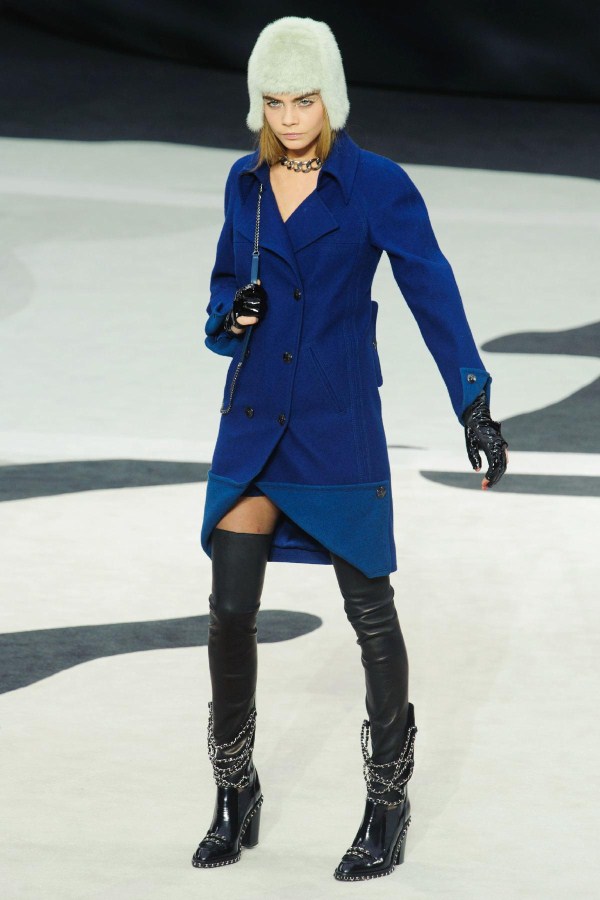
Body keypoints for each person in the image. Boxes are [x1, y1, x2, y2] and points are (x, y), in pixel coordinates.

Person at [191, 15, 508, 881]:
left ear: (330, 97)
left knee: (370, 615)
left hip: (335, 423)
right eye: (274, 102)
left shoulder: (375, 184)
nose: (290, 117)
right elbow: (221, 292)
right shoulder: (246, 184)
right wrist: (231, 317)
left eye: (304, 99)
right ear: (257, 105)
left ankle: (387, 802)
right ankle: (234, 789)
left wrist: (473, 403)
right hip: (254, 418)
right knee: (229, 613)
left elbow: (431, 290)